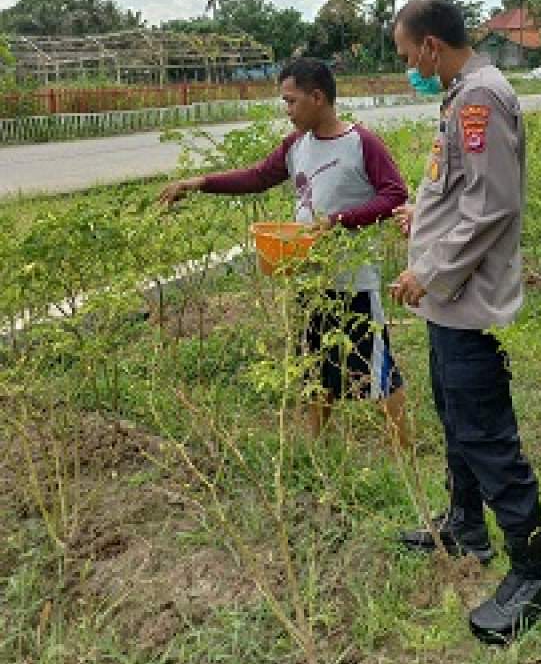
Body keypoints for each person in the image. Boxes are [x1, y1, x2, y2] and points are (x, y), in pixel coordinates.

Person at [390, 0, 541, 644]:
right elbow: (461, 191)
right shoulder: (461, 93)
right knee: (454, 413)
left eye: (409, 55)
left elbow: (493, 205)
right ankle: (466, 523)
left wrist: (430, 270)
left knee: (487, 433)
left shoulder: (480, 98)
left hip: (466, 301)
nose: (409, 66)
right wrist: (424, 218)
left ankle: (537, 571)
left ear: (432, 46)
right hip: (450, 305)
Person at [160, 57, 409, 447]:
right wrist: (198, 182)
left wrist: (338, 220)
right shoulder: (296, 146)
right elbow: (257, 177)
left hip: (351, 278)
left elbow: (395, 195)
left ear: (318, 97)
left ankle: (404, 453)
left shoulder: (362, 143)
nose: (287, 110)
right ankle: (317, 444)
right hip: (307, 275)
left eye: (291, 101)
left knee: (376, 366)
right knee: (315, 365)